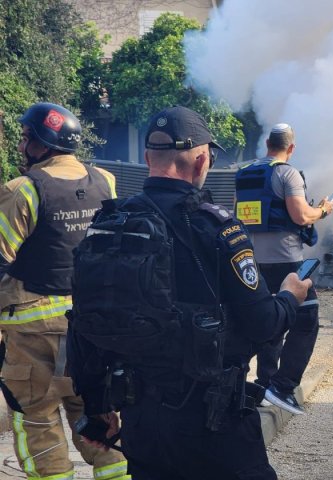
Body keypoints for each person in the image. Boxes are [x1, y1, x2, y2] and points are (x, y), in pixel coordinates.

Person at [68, 106, 311, 479]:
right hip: (212, 421)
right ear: (201, 163)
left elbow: (85, 321)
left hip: (141, 422)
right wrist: (289, 297)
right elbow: (263, 323)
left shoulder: (110, 222)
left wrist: (97, 405)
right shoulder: (217, 228)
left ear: (148, 158)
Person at [0, 102, 129, 479]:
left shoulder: (22, 190)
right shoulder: (104, 181)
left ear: (43, 144)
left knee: (38, 422)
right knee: (97, 416)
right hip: (91, 328)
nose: (22, 147)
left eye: (26, 139)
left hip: (32, 333)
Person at [235, 123, 333, 415]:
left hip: (252, 261)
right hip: (287, 260)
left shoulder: (244, 174)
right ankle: (282, 386)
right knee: (306, 320)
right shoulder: (287, 173)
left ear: (266, 143)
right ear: (291, 148)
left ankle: (263, 383)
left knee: (270, 318)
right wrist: (323, 210)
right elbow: (300, 214)